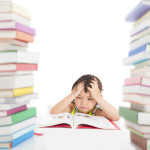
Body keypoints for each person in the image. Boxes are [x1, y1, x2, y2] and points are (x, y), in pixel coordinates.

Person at [50, 74, 120, 121]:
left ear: (96, 100)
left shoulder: (97, 111)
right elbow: (53, 112)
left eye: (90, 99)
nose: (83, 103)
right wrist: (72, 94)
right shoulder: (72, 107)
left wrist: (98, 98)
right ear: (74, 97)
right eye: (79, 97)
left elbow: (116, 117)